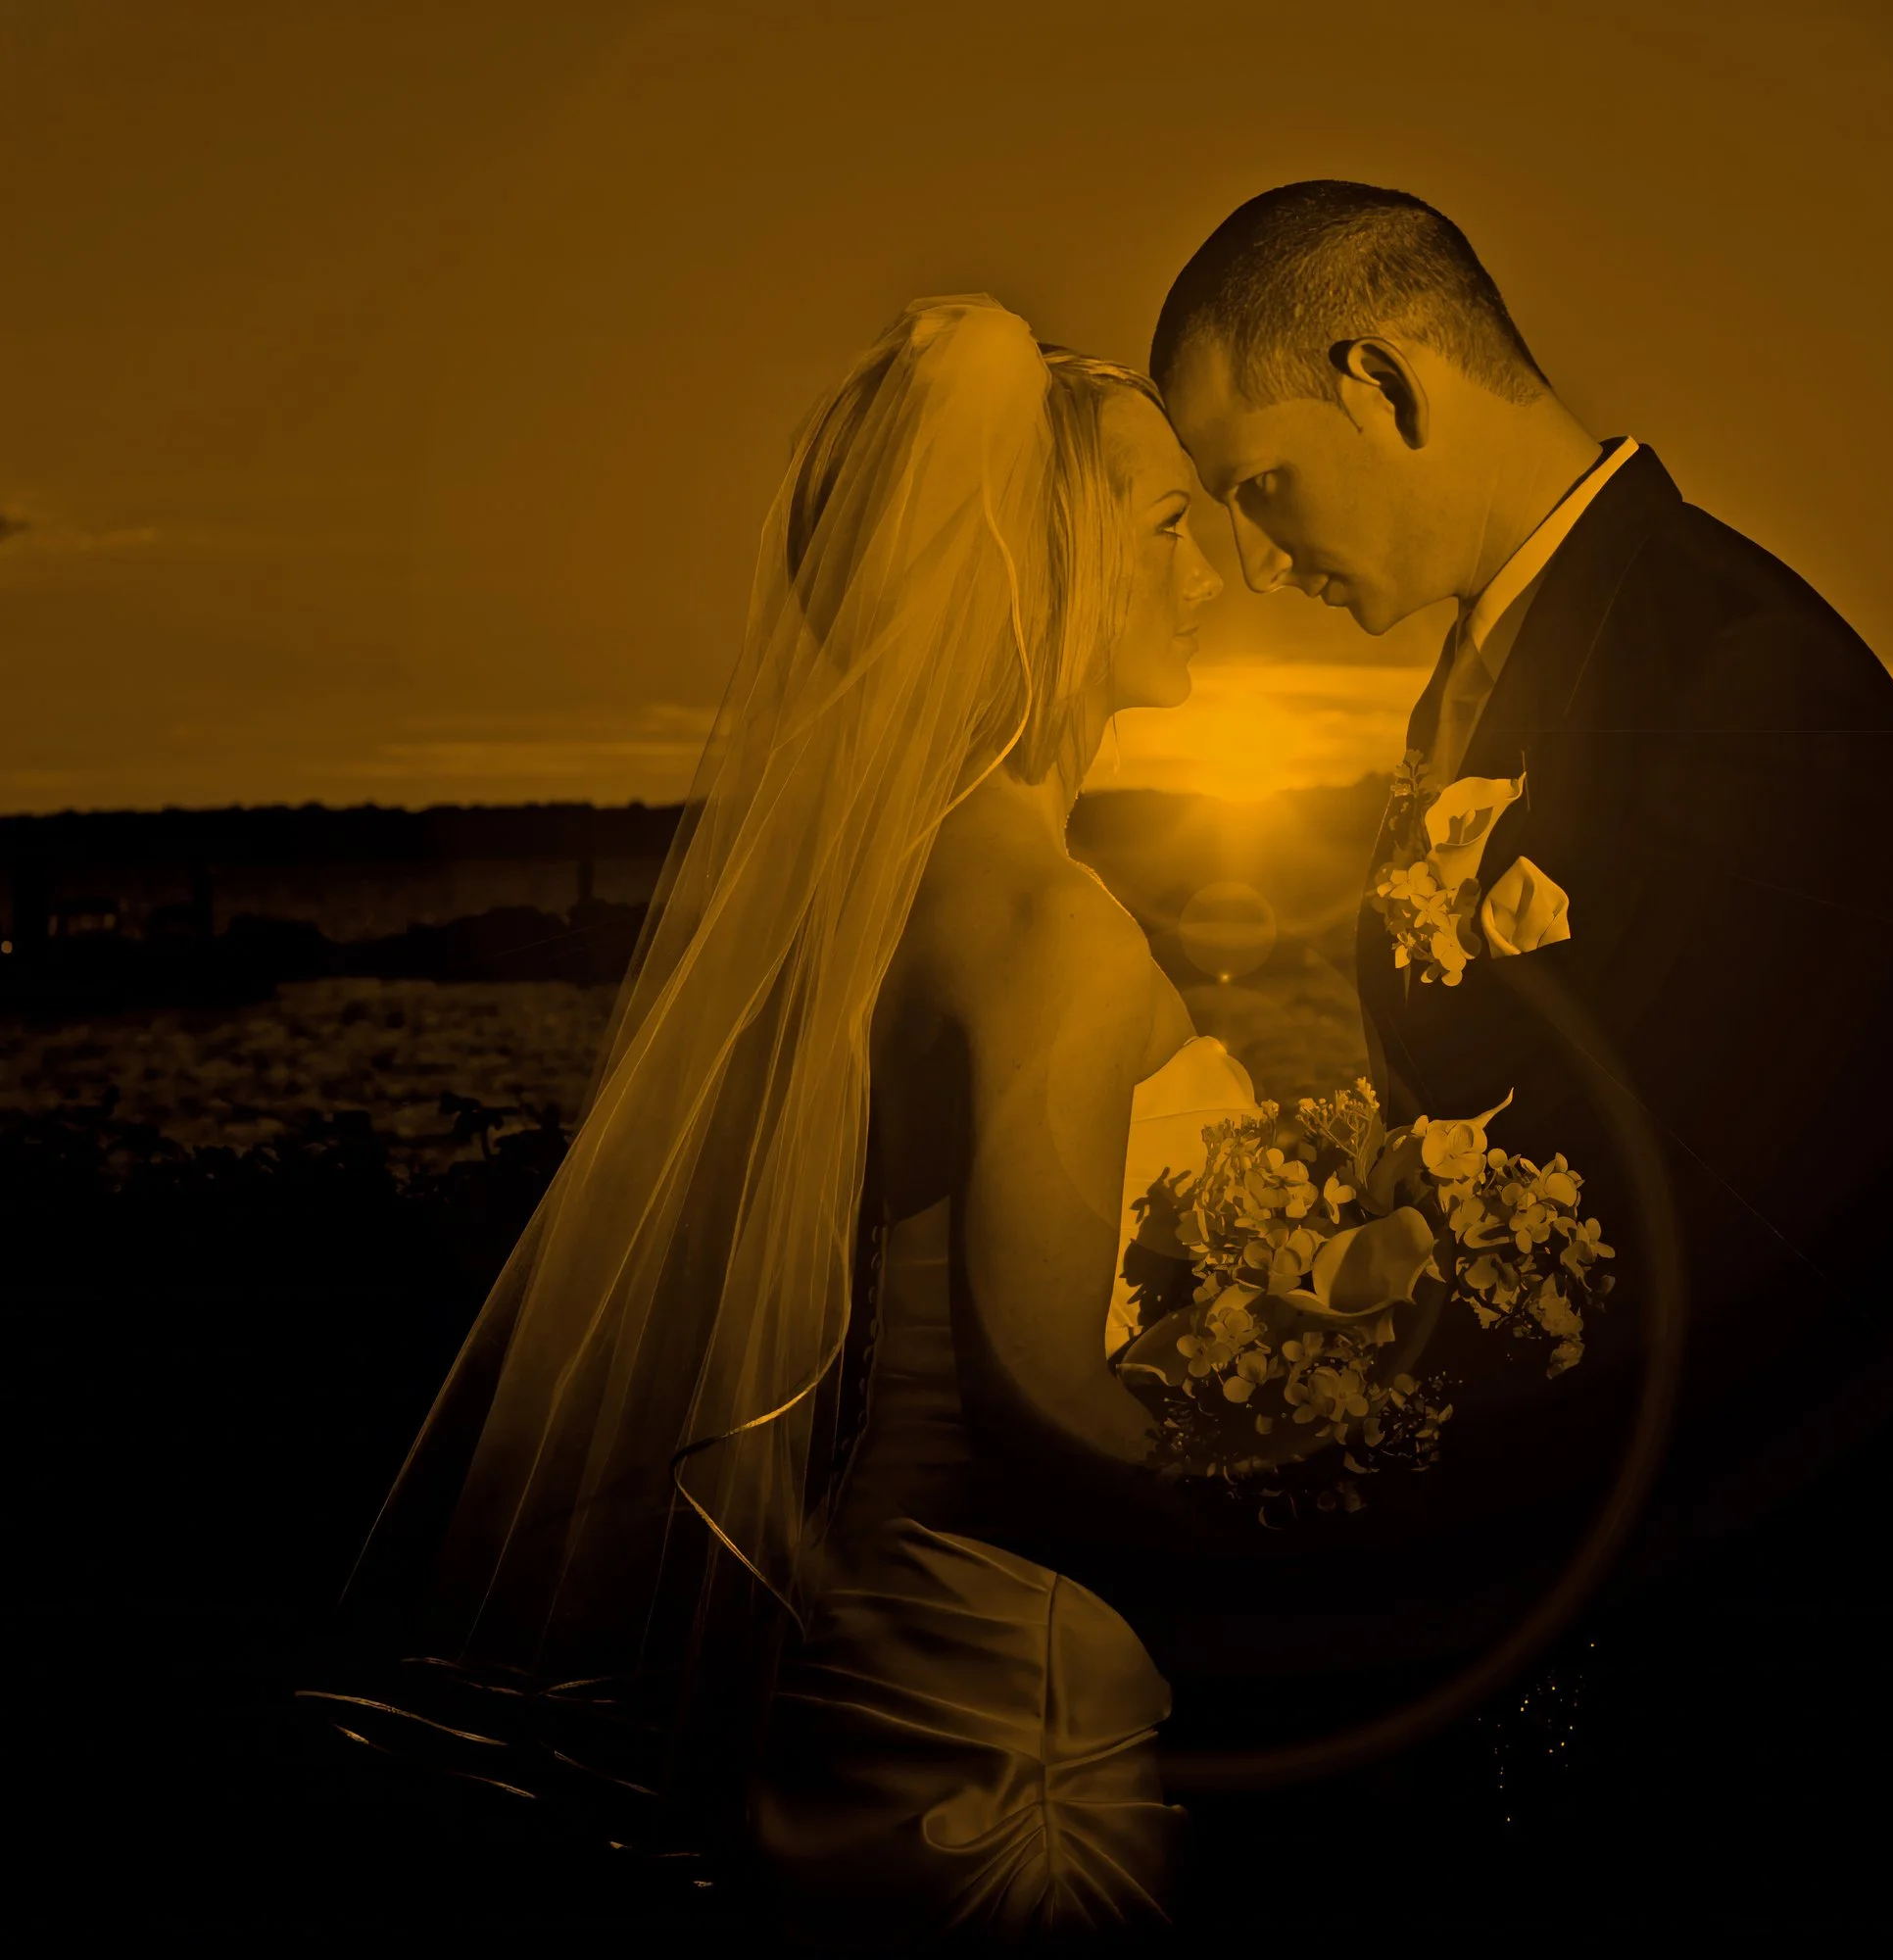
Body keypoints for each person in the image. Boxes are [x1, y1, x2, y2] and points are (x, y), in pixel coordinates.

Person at [327, 297, 1246, 1946]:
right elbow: (1039, 1393)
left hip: (880, 1631)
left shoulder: (894, 889)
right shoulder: (1052, 928)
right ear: (1041, 562)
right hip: (1000, 1699)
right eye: (1173, 526)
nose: (1219, 574)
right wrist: (1352, 1509)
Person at [1152, 181, 1893, 1694]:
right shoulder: (1479, 671)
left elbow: (1753, 1224)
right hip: (1544, 1588)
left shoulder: (1739, 671)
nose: (1257, 562)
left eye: (1257, 486)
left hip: (1734, 1629)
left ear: (1380, 384)